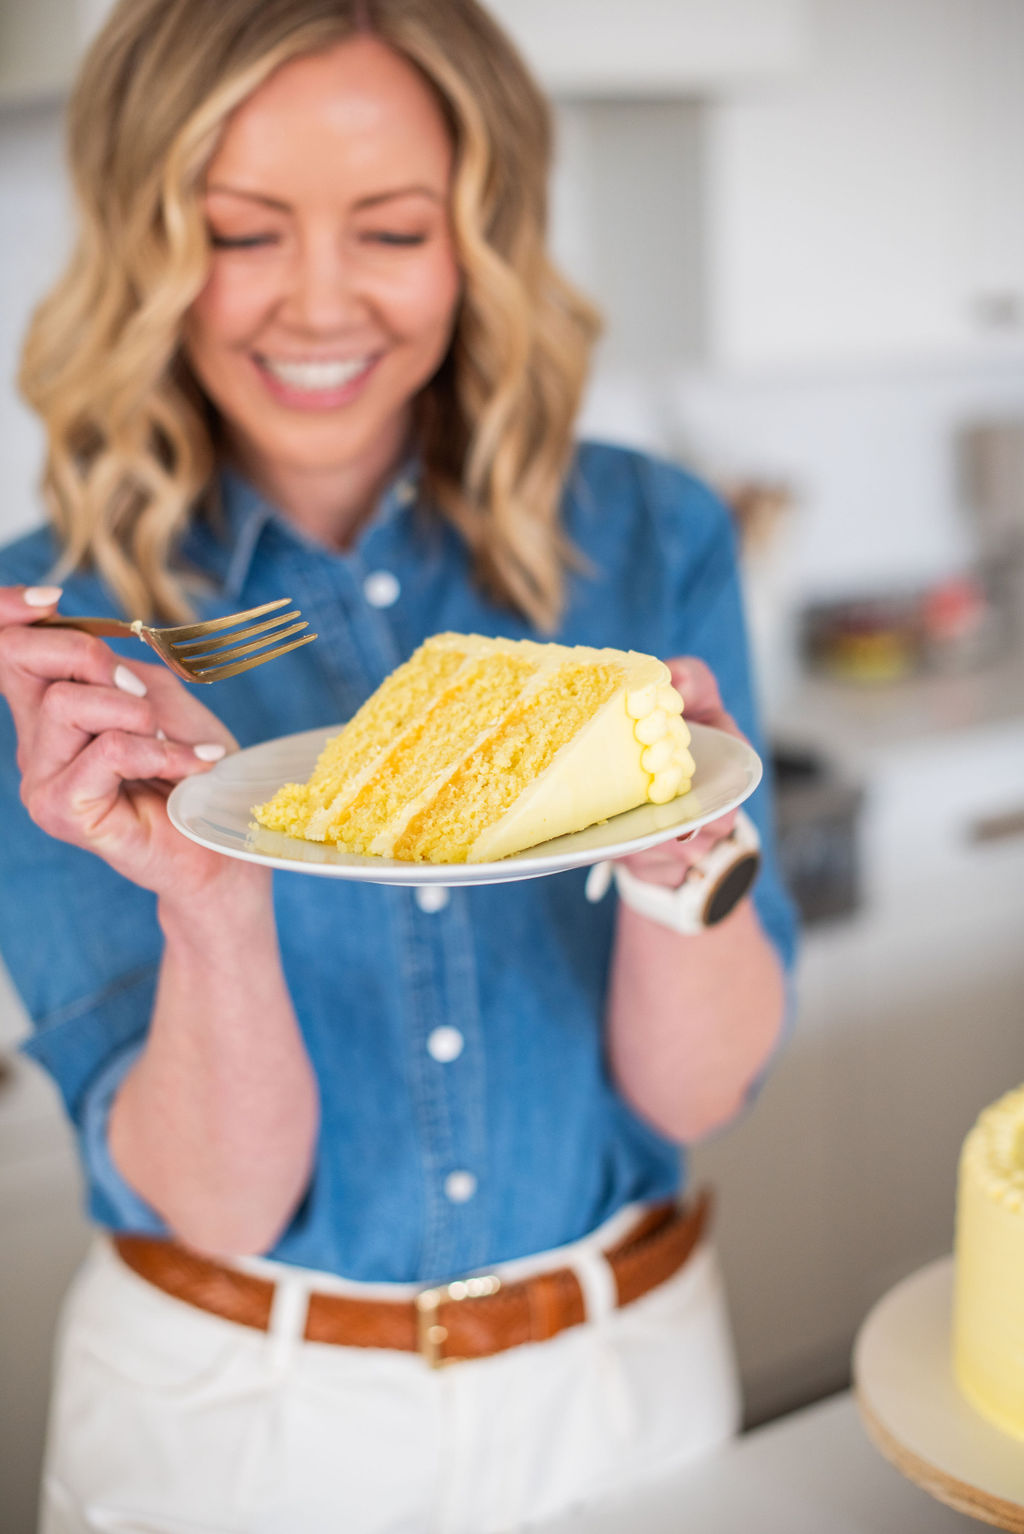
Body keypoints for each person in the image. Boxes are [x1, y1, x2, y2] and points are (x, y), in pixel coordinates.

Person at [0, 1, 797, 1529]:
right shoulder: (63, 653)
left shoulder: (651, 536)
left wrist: (669, 852)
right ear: (145, 239)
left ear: (475, 234)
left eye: (389, 228)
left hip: (628, 1391)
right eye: (240, 230)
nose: (317, 302)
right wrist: (210, 900)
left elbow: (705, 1082)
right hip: (239, 1431)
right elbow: (224, 1205)